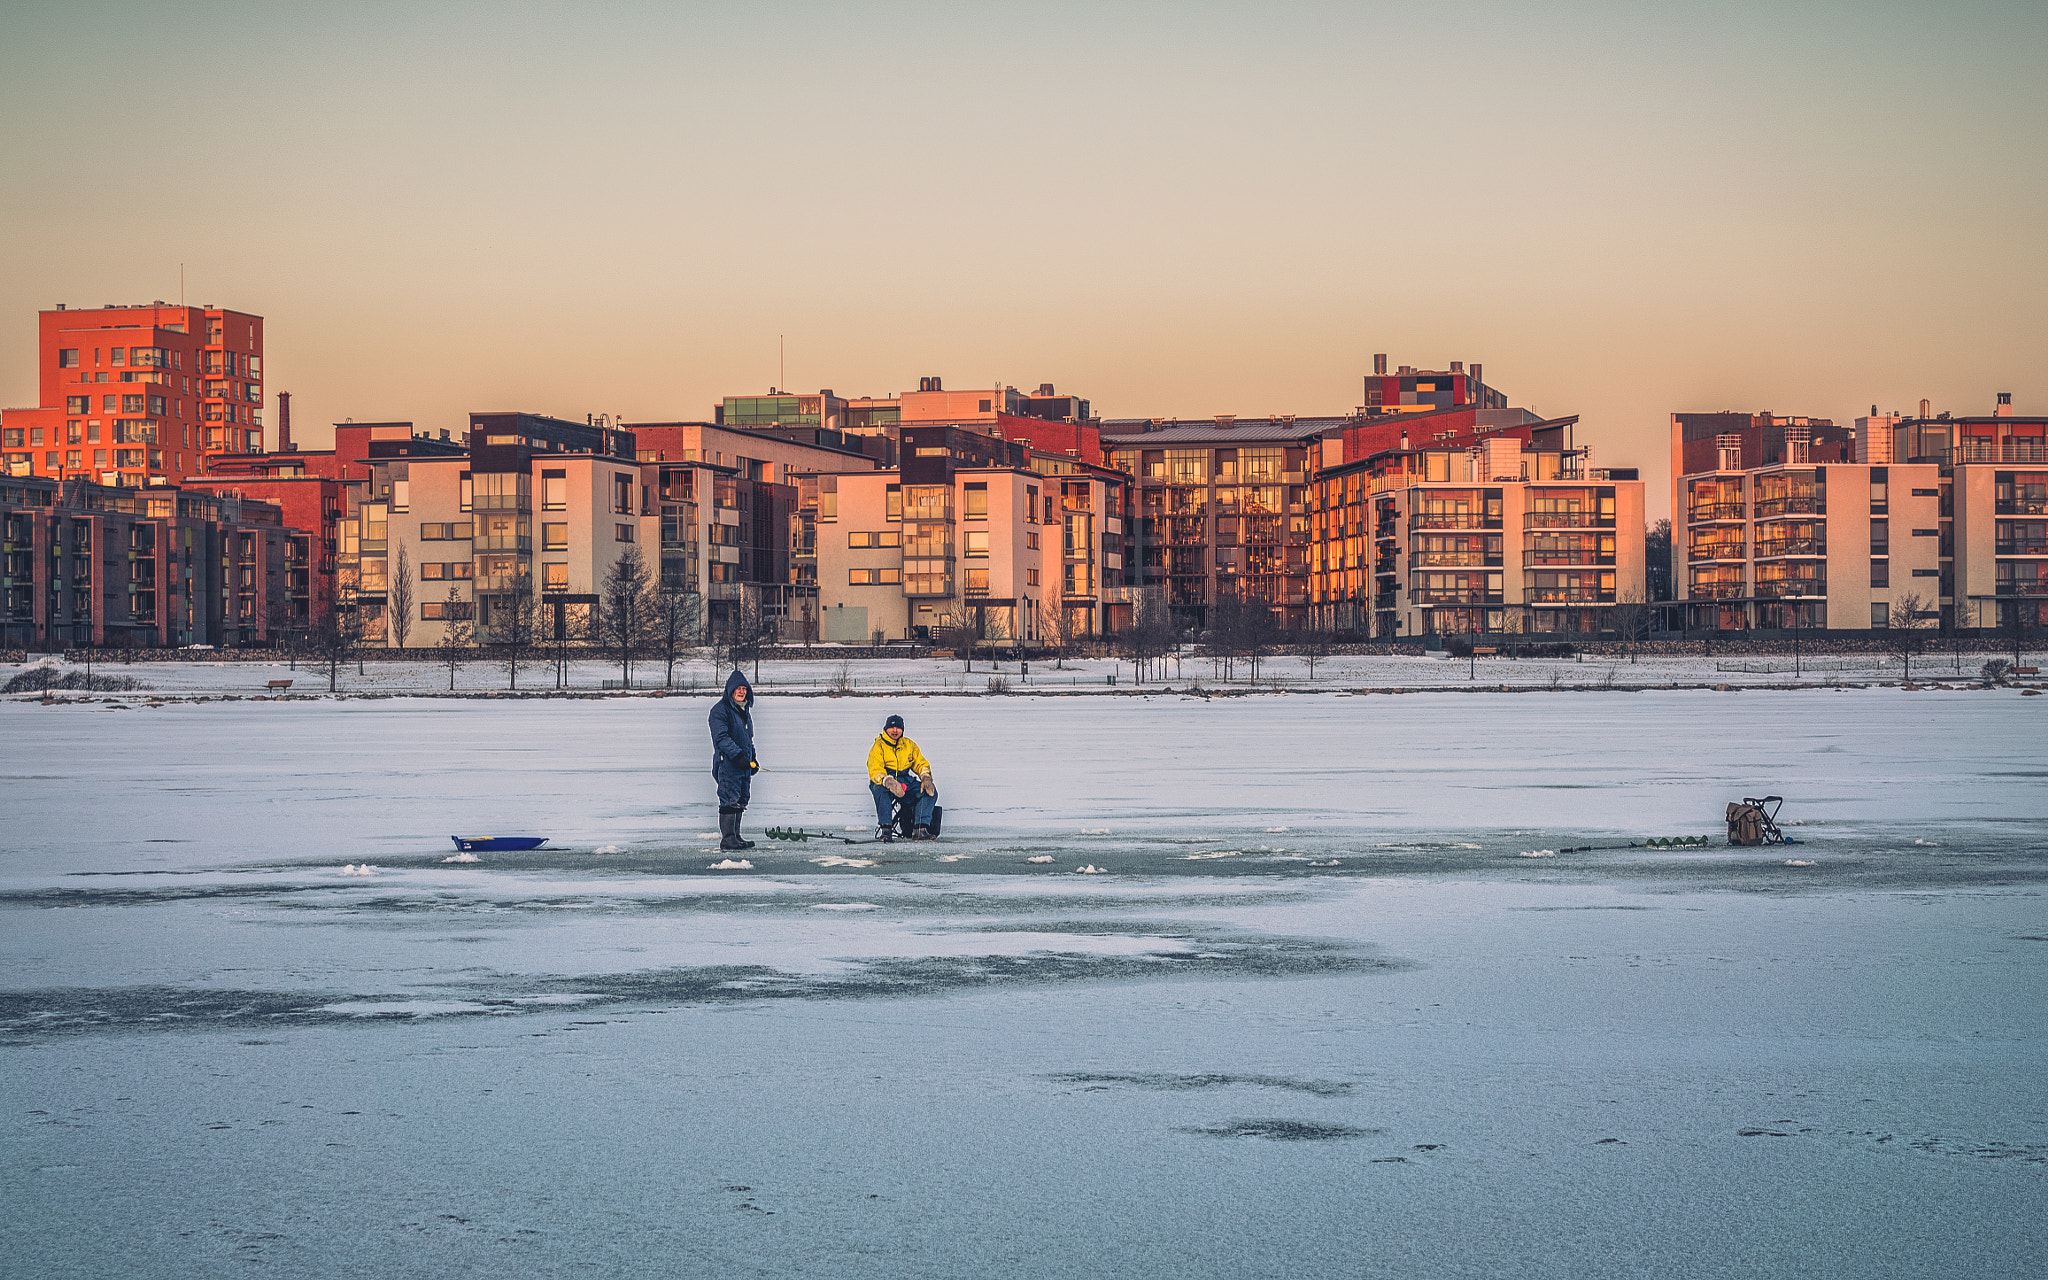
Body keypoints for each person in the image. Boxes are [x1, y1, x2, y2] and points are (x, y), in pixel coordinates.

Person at [708, 669, 759, 850]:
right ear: (730, 690)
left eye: (744, 689)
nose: (741, 691)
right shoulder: (720, 711)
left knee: (741, 798)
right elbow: (721, 738)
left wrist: (753, 760)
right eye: (738, 688)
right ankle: (728, 839)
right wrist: (737, 756)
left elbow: (748, 738)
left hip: (743, 765)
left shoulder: (744, 711)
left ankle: (736, 837)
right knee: (729, 799)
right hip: (728, 764)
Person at [865, 713, 936, 841]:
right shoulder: (878, 746)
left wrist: (926, 777)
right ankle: (886, 830)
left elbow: (920, 763)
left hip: (905, 779)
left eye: (898, 728)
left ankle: (920, 829)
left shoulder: (909, 745)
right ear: (886, 729)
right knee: (881, 791)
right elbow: (875, 769)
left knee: (929, 792)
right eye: (892, 728)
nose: (895, 731)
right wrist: (887, 781)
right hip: (884, 780)